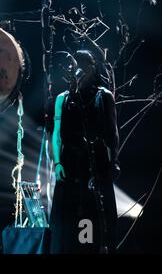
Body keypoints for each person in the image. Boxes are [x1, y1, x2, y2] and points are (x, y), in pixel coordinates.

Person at [50, 48, 120, 253]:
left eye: (86, 65)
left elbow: (112, 131)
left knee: (93, 213)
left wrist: (114, 160)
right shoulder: (63, 98)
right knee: (71, 214)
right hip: (70, 161)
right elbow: (57, 134)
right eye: (77, 66)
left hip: (95, 160)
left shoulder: (103, 96)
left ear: (93, 68)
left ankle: (90, 247)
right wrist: (57, 162)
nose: (81, 70)